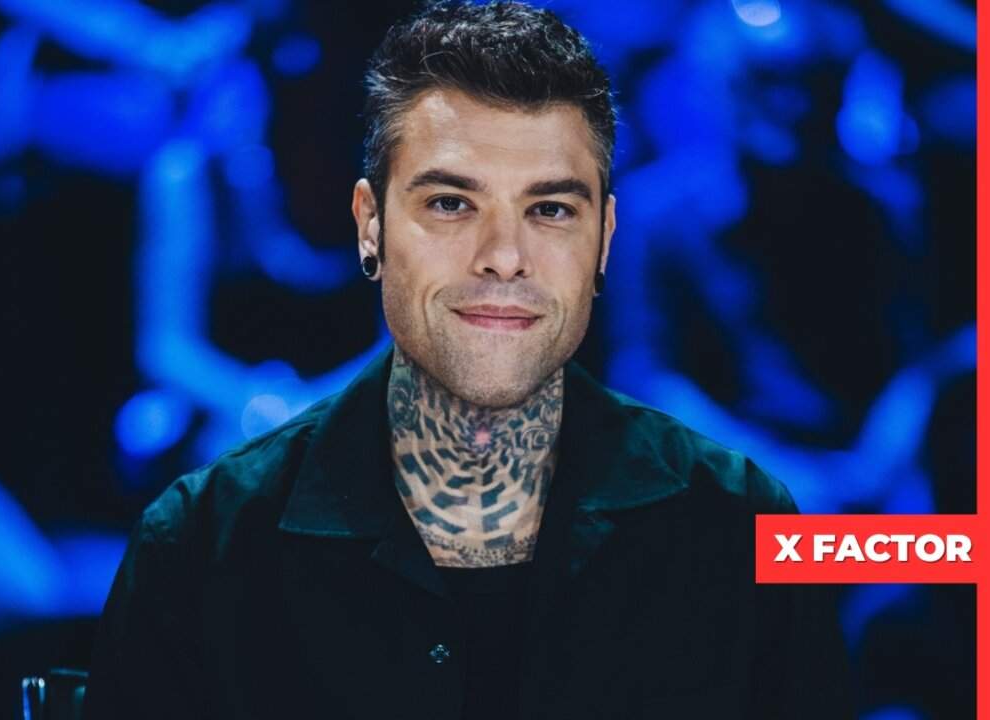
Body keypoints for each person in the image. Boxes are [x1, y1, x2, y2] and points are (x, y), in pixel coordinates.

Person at [84, 2, 853, 718]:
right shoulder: (195, 532)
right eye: (453, 204)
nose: (504, 257)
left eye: (550, 208)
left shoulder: (738, 508)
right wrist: (275, 413)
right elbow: (168, 345)